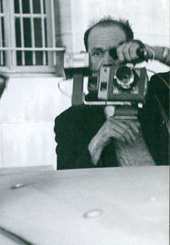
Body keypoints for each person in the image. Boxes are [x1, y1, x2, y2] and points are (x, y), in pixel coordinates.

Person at [54, 17, 170, 169]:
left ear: (132, 55)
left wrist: (154, 52)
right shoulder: (70, 121)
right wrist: (98, 141)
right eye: (97, 53)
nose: (107, 61)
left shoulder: (159, 91)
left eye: (115, 52)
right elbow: (67, 183)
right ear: (86, 59)